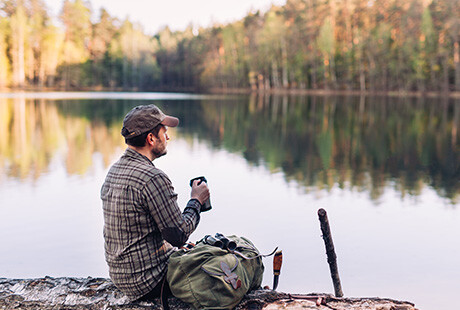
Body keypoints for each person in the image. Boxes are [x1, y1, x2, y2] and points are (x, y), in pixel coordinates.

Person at [100, 104, 210, 301]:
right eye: (164, 132)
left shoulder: (114, 171)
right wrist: (197, 200)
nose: (168, 137)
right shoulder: (152, 178)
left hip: (122, 278)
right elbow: (178, 235)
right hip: (150, 282)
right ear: (151, 139)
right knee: (221, 264)